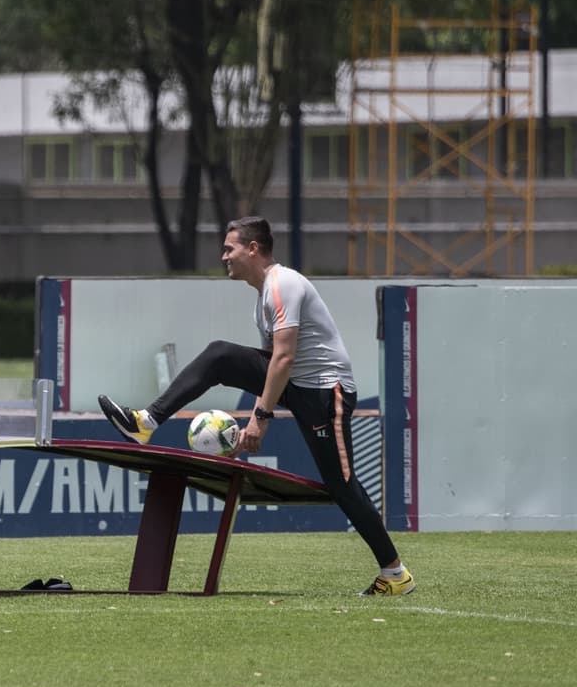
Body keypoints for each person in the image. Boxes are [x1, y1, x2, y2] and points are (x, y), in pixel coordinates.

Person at [98, 216, 415, 597]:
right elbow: (272, 367)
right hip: (299, 387)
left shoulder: (283, 285)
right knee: (219, 355)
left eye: (229, 248)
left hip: (324, 392)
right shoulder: (262, 299)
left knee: (342, 486)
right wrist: (256, 415)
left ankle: (395, 574)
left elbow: (283, 358)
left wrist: (259, 419)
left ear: (253, 249)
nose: (223, 256)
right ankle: (145, 421)